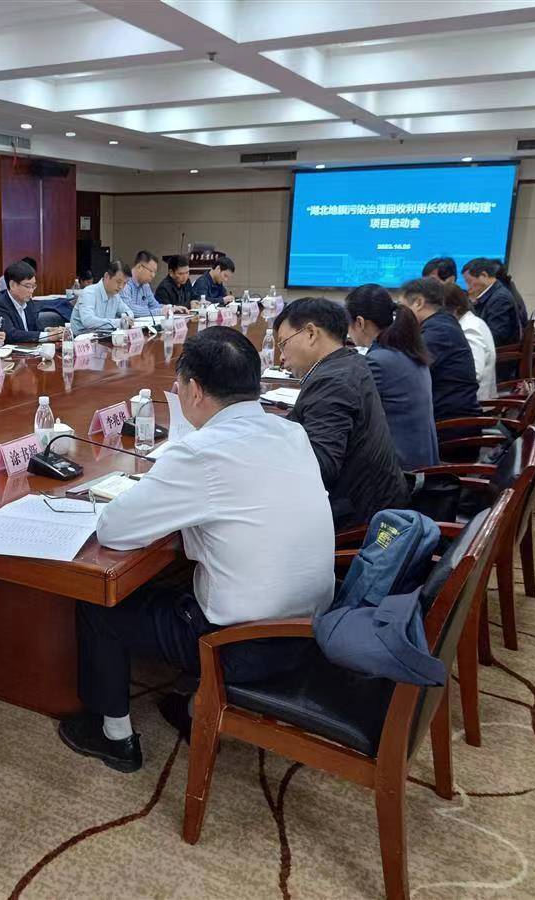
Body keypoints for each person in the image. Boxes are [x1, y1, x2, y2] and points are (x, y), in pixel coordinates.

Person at [58, 327, 334, 772]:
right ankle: (189, 702)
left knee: (99, 602)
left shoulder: (200, 453)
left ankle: (113, 736)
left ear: (195, 390)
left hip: (242, 646)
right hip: (313, 625)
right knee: (178, 580)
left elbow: (114, 531)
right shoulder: (290, 432)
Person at [274, 297, 410, 530]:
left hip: (356, 525)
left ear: (310, 333)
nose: (281, 358)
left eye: (283, 344)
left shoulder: (333, 381)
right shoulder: (349, 362)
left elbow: (320, 466)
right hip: (370, 504)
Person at [345, 284, 439, 469]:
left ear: (360, 322)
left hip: (400, 471)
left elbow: (350, 409)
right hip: (420, 461)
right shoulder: (406, 350)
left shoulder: (378, 361)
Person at [397, 277, 483, 423]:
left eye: (401, 307)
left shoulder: (439, 331)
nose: (399, 315)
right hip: (445, 416)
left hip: (451, 424)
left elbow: (406, 369)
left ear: (418, 303)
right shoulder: (441, 323)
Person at [462, 257, 525, 381]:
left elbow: (496, 336)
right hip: (495, 356)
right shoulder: (495, 293)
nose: (468, 287)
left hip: (499, 364)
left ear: (484, 275)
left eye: (469, 282)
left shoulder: (500, 298)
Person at [0, 260, 65, 343]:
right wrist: (49, 336)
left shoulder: (28, 302)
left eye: (33, 286)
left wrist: (47, 330)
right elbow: (10, 335)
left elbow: (30, 329)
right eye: (27, 286)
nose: (31, 291)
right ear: (12, 285)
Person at [443, 283, 497, 401]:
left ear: (455, 310)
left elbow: (474, 373)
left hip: (476, 402)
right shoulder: (471, 322)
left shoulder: (470, 328)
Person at [69, 260, 132, 333]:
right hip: (82, 337)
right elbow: (88, 321)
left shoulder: (115, 296)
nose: (121, 287)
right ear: (107, 276)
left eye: (124, 283)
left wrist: (125, 319)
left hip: (104, 336)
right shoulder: (89, 292)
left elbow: (129, 313)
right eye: (118, 282)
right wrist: (119, 322)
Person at [118, 250, 161, 318]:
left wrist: (170, 308)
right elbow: (129, 309)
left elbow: (155, 305)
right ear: (139, 267)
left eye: (155, 272)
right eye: (151, 271)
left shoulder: (146, 285)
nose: (153, 275)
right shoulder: (124, 282)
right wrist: (158, 312)